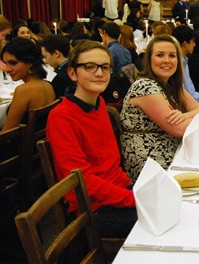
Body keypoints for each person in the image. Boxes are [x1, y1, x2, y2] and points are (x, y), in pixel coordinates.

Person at [46, 41, 137, 238]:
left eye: (105, 67)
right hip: (94, 208)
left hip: (117, 192)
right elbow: (83, 181)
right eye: (89, 67)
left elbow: (111, 164)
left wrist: (132, 189)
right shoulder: (61, 117)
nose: (99, 73)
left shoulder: (99, 103)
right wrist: (133, 198)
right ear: (72, 74)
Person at [120, 34, 199, 181]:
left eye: (172, 56)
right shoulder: (144, 87)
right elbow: (179, 129)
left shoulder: (172, 85)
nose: (167, 60)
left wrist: (185, 116)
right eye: (160, 55)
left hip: (173, 153)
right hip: (152, 165)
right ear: (149, 59)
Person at [1, 38, 56, 132]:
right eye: (6, 63)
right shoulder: (47, 85)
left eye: (13, 63)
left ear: (29, 62)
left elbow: (7, 134)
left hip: (22, 145)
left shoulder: (23, 90)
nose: (8, 69)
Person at [172, 26, 199, 105]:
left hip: (192, 102)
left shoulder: (185, 60)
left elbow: (191, 92)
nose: (194, 45)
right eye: (192, 42)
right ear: (185, 43)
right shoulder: (177, 64)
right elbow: (185, 95)